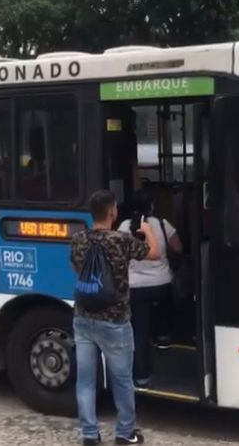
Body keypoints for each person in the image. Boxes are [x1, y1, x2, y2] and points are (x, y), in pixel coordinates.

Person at [70, 190, 160, 446]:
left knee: (85, 381)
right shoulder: (121, 240)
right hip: (115, 321)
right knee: (122, 380)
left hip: (83, 318)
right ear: (113, 212)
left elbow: (77, 268)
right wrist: (148, 231)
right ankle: (124, 433)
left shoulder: (78, 240)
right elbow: (155, 254)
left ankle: (89, 435)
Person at [118, 189, 184, 387]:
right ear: (152, 205)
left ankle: (142, 377)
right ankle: (164, 338)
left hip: (135, 287)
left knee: (139, 331)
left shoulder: (123, 226)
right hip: (161, 284)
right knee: (165, 305)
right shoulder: (163, 224)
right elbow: (179, 248)